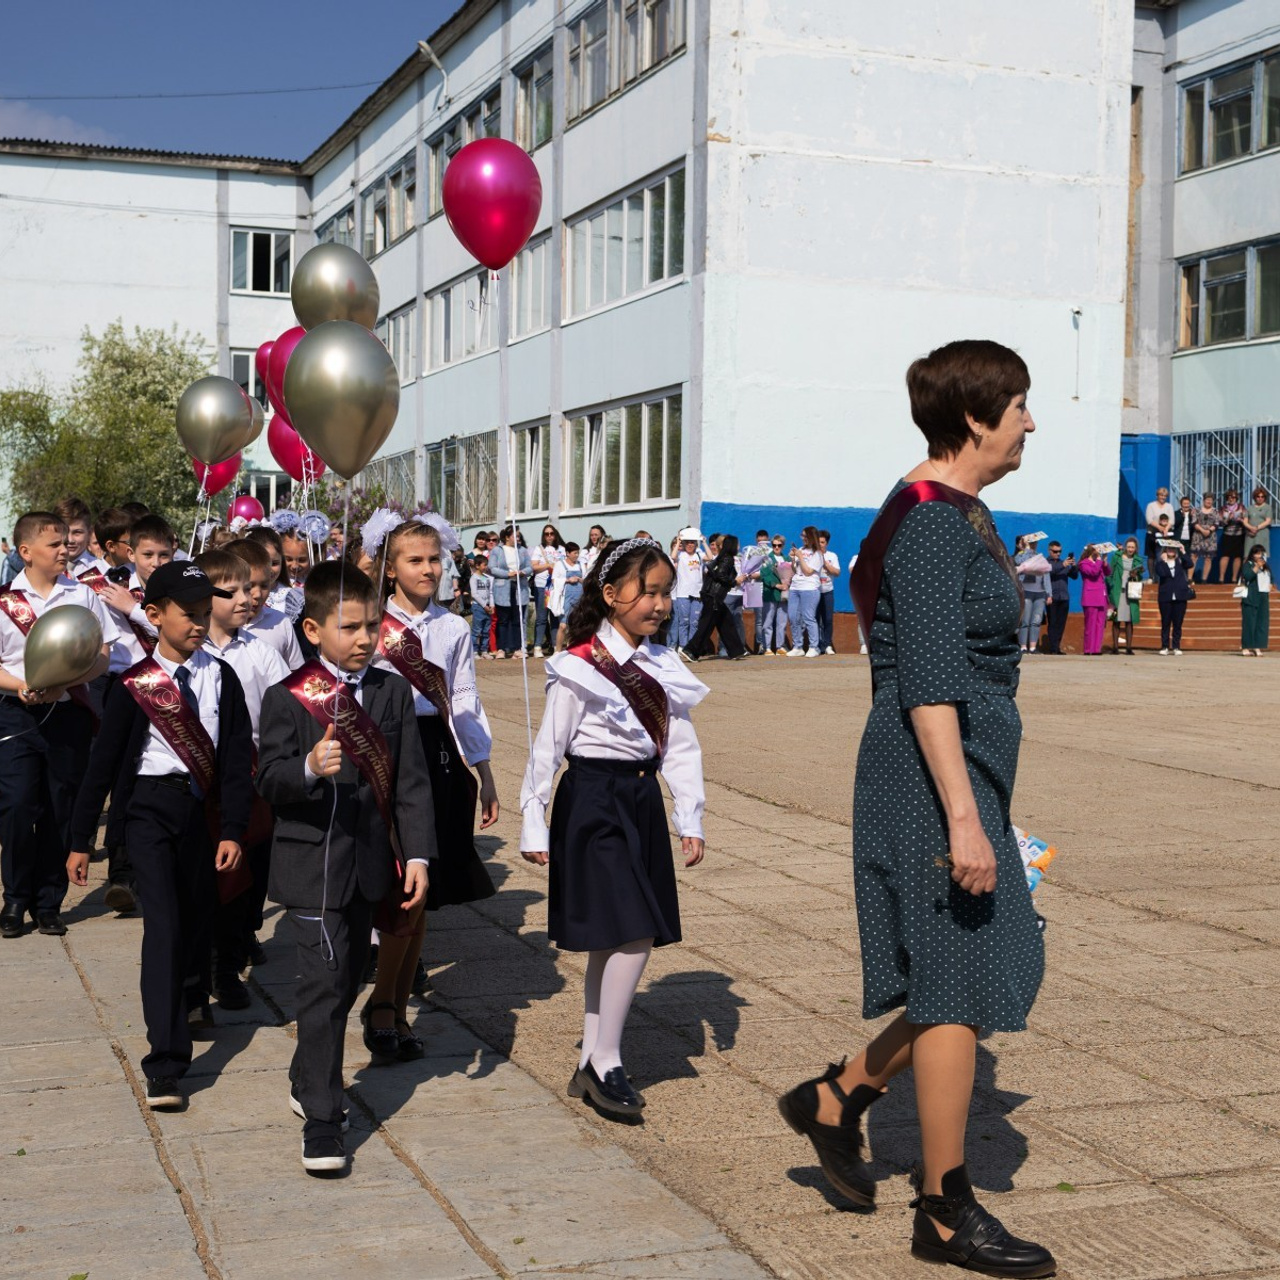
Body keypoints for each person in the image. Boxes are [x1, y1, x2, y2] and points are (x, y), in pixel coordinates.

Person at [780, 339, 1052, 1277]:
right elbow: (928, 686)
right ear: (975, 417)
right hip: (929, 776)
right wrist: (967, 819)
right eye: (1018, 405)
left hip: (956, 773)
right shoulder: (934, 522)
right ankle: (943, 1210)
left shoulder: (955, 508)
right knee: (954, 984)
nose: (1029, 421)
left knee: (967, 966)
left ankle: (839, 1096)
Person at [255, 561, 435, 1173]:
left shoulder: (390, 693)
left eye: (371, 625)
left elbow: (411, 781)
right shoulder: (287, 698)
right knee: (324, 990)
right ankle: (324, 1121)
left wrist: (416, 854)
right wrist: (308, 767)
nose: (364, 638)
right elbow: (269, 779)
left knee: (350, 977)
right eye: (349, 626)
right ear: (312, 630)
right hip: (311, 869)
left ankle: (308, 1071)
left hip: (371, 866)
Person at [519, 538, 708, 1118]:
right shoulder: (578, 664)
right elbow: (548, 748)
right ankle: (606, 1060)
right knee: (633, 929)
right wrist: (534, 821)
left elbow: (678, 746)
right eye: (647, 592)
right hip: (593, 800)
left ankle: (597, 1060)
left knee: (621, 933)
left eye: (665, 593)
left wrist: (689, 815)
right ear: (610, 594)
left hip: (641, 799)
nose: (658, 604)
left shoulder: (664, 666)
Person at [67, 562, 252, 1110]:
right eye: (187, 614)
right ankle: (166, 1063)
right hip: (148, 812)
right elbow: (101, 767)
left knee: (197, 918)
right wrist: (81, 839)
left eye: (204, 613)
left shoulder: (223, 677)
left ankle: (192, 999)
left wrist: (235, 829)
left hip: (202, 815)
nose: (199, 622)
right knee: (165, 928)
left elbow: (239, 759)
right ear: (154, 615)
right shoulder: (135, 686)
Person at [368, 520, 501, 1061]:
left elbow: (464, 699)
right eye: (415, 561)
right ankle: (382, 1003)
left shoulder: (454, 628)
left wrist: (484, 767)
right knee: (400, 883)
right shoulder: (371, 623)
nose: (428, 570)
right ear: (391, 568)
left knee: (423, 893)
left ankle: (393, 1008)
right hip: (384, 751)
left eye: (434, 560)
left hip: (437, 752)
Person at [0, 512, 118, 938]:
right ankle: (14, 898)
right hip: (16, 712)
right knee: (16, 804)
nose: (65, 550)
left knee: (58, 806)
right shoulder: (4, 600)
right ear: (26, 552)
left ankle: (48, 902)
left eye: (67, 542)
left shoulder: (83, 596)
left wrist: (63, 683)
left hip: (68, 711)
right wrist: (22, 686)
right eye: (54, 544)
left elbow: (102, 655)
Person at [195, 549, 291, 1009]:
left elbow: (283, 707)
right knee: (208, 878)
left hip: (250, 774)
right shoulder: (188, 650)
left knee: (250, 874)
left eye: (249, 589)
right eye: (229, 591)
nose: (245, 598)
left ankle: (233, 957)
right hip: (198, 775)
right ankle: (212, 964)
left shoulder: (260, 651)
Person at [230, 538, 305, 670]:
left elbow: (296, 671)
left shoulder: (281, 622)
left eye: (265, 585)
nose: (258, 594)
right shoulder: (216, 626)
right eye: (249, 586)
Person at [684, 535, 747, 661]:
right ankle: (691, 650)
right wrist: (735, 581)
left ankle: (736, 651)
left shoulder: (723, 557)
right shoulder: (727, 559)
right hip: (714, 596)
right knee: (706, 625)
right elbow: (720, 574)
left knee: (726, 622)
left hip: (712, 595)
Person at [490, 525, 532, 659]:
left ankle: (518, 648)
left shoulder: (523, 550)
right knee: (503, 619)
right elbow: (493, 568)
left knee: (518, 619)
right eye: (515, 536)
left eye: (519, 536)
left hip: (519, 587)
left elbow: (530, 567)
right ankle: (501, 648)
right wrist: (508, 574)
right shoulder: (498, 550)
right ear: (507, 537)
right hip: (503, 587)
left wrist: (523, 572)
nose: (518, 538)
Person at [787, 527, 823, 657]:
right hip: (795, 587)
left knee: (808, 617)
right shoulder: (800, 550)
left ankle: (814, 647)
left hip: (810, 588)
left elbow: (808, 571)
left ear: (811, 537)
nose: (803, 538)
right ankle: (798, 646)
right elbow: (795, 569)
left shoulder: (817, 554)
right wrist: (792, 559)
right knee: (792, 617)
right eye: (801, 535)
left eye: (805, 536)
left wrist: (800, 557)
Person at [531, 524, 565, 657]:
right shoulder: (539, 549)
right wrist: (548, 565)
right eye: (546, 534)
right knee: (542, 617)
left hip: (556, 586)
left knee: (555, 616)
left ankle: (556, 645)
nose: (549, 536)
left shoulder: (562, 549)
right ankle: (538, 646)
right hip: (542, 586)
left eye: (551, 533)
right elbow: (534, 566)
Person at [1154, 541, 1193, 655]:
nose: (1171, 551)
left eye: (1173, 549)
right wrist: (1164, 561)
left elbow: (1190, 564)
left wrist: (1183, 551)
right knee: (1165, 622)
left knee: (1178, 623)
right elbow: (1162, 573)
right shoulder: (1160, 563)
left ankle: (1176, 646)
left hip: (1180, 596)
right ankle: (1165, 646)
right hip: (1165, 596)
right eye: (1168, 549)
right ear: (1165, 551)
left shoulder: (1180, 561)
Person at [1107, 536, 1144, 655]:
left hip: (1131, 592)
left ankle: (1128, 647)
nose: (1130, 549)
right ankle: (1115, 647)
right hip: (1118, 591)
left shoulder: (1138, 560)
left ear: (1136, 548)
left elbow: (1141, 577)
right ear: (1125, 547)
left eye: (1133, 547)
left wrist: (1136, 575)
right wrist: (1111, 587)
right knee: (1116, 619)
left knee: (1129, 620)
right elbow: (1109, 573)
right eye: (1129, 547)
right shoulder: (1117, 557)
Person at [671, 528, 706, 652]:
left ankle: (692, 647)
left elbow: (710, 557)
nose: (690, 544)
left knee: (694, 623)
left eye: (692, 542)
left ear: (696, 543)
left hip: (697, 594)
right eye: (687, 542)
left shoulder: (699, 554)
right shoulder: (681, 556)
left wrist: (704, 542)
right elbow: (673, 556)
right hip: (683, 594)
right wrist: (679, 540)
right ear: (684, 544)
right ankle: (683, 646)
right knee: (684, 622)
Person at [1014, 536, 1049, 653]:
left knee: (1036, 620)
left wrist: (1049, 593)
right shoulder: (1021, 555)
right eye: (1031, 543)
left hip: (1040, 593)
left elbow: (1046, 574)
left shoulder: (1039, 556)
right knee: (1025, 621)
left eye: (1035, 543)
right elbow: (1020, 562)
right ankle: (1023, 646)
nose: (1034, 544)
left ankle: (1033, 647)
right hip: (1027, 592)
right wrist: (1027, 549)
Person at [550, 542, 584, 650]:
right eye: (574, 553)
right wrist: (567, 580)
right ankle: (558, 650)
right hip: (566, 598)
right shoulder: (560, 564)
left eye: (578, 552)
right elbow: (554, 580)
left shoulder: (581, 564)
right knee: (563, 625)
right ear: (568, 553)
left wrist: (579, 579)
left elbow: (586, 580)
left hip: (579, 598)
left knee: (576, 625)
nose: (576, 555)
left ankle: (572, 649)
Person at [1044, 542, 1076, 655]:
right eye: (1055, 551)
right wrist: (1063, 564)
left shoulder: (1064, 563)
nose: (1058, 554)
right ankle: (1052, 648)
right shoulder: (1046, 562)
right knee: (1052, 622)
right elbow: (1051, 571)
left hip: (1064, 597)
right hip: (1052, 597)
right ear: (1050, 551)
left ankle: (1057, 647)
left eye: (1059, 551)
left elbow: (1075, 576)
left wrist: (1073, 566)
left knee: (1061, 623)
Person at [1238, 544, 1271, 657]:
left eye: (1261, 553)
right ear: (1252, 555)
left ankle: (1257, 647)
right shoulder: (1248, 564)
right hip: (1251, 597)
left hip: (1263, 597)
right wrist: (1256, 567)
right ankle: (1246, 647)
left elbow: (1270, 578)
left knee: (1261, 623)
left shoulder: (1266, 566)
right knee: (1249, 623)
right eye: (1257, 553)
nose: (1259, 555)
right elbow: (1247, 576)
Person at [759, 536, 789, 655]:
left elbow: (792, 574)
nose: (776, 547)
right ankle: (767, 647)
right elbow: (764, 575)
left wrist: (787, 584)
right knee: (768, 621)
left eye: (779, 545)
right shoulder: (767, 558)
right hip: (771, 594)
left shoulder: (787, 559)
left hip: (784, 594)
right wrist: (776, 585)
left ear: (783, 546)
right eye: (774, 545)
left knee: (782, 622)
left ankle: (780, 646)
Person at [55, 496, 97, 576]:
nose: (70, 540)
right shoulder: (43, 571)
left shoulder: (103, 570)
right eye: (64, 532)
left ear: (89, 533)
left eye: (77, 532)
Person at [1077, 546, 1108, 655]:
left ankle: (1096, 649)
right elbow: (1093, 573)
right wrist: (1099, 561)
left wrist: (1104, 562)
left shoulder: (1098, 563)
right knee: (1090, 624)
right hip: (1090, 597)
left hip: (1101, 597)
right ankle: (1088, 649)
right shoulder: (1083, 564)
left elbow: (1108, 572)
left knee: (1100, 625)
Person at [817, 531, 841, 655]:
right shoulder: (811, 555)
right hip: (814, 592)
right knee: (815, 619)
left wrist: (826, 564)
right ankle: (816, 645)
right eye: (818, 542)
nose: (820, 545)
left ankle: (827, 645)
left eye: (822, 542)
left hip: (827, 591)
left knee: (828, 619)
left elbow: (837, 572)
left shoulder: (832, 556)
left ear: (826, 543)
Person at [1143, 487, 1174, 579]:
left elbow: (1172, 520)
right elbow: (1149, 519)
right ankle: (1151, 577)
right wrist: (1160, 528)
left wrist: (1166, 529)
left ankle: (1164, 577)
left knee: (1164, 555)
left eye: (1165, 496)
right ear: (1157, 495)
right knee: (1151, 556)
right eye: (1161, 495)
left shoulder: (1169, 506)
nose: (1163, 497)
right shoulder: (1151, 505)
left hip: (1165, 535)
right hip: (1152, 534)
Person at [1218, 489, 1247, 585]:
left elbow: (1246, 519)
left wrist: (1241, 519)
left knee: (1237, 557)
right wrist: (1228, 519)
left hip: (1239, 535)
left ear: (1236, 498)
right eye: (1229, 497)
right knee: (1225, 556)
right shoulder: (1223, 508)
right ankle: (1221, 578)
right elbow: (1220, 522)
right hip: (1227, 535)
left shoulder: (1241, 507)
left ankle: (1234, 578)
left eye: (1233, 497)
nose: (1231, 499)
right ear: (1227, 498)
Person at [469, 553, 495, 658]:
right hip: (478, 607)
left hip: (487, 607)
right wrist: (484, 605)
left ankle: (484, 650)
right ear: (477, 566)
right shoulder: (474, 578)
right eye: (484, 565)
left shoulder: (487, 578)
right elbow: (474, 594)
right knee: (476, 630)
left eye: (486, 565)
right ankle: (474, 651)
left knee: (486, 630)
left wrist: (492, 605)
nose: (486, 567)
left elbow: (490, 593)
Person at [1191, 493, 1220, 583]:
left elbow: (1217, 523)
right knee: (1194, 557)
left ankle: (1204, 579)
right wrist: (1202, 530)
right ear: (1203, 500)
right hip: (1198, 535)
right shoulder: (1196, 510)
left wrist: (1209, 531)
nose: (1209, 501)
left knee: (1208, 558)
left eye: (1211, 500)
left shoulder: (1215, 511)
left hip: (1210, 537)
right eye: (1207, 499)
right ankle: (1189, 578)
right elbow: (1194, 522)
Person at [1244, 487, 1273, 560]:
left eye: (1262, 496)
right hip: (1250, 535)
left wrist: (1257, 528)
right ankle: (1246, 571)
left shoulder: (1268, 508)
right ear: (1255, 497)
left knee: (1261, 556)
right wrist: (1251, 528)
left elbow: (1268, 521)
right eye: (1258, 496)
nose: (1260, 498)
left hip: (1262, 535)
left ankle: (1261, 571)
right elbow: (1245, 521)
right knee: (1247, 556)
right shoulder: (1249, 508)